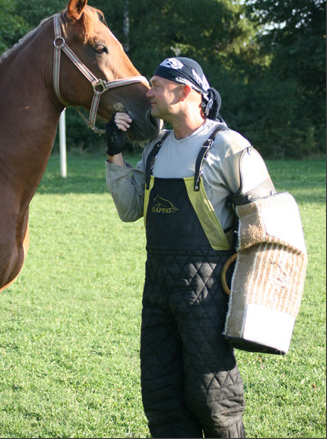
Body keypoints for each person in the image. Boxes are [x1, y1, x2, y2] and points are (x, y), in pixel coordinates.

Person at [105, 57, 275, 438]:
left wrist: (255, 296)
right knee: (162, 399)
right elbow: (131, 209)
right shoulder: (157, 147)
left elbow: (268, 222)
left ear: (185, 92)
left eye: (156, 85)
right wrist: (115, 154)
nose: (147, 93)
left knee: (214, 400)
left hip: (209, 294)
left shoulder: (230, 148)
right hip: (158, 288)